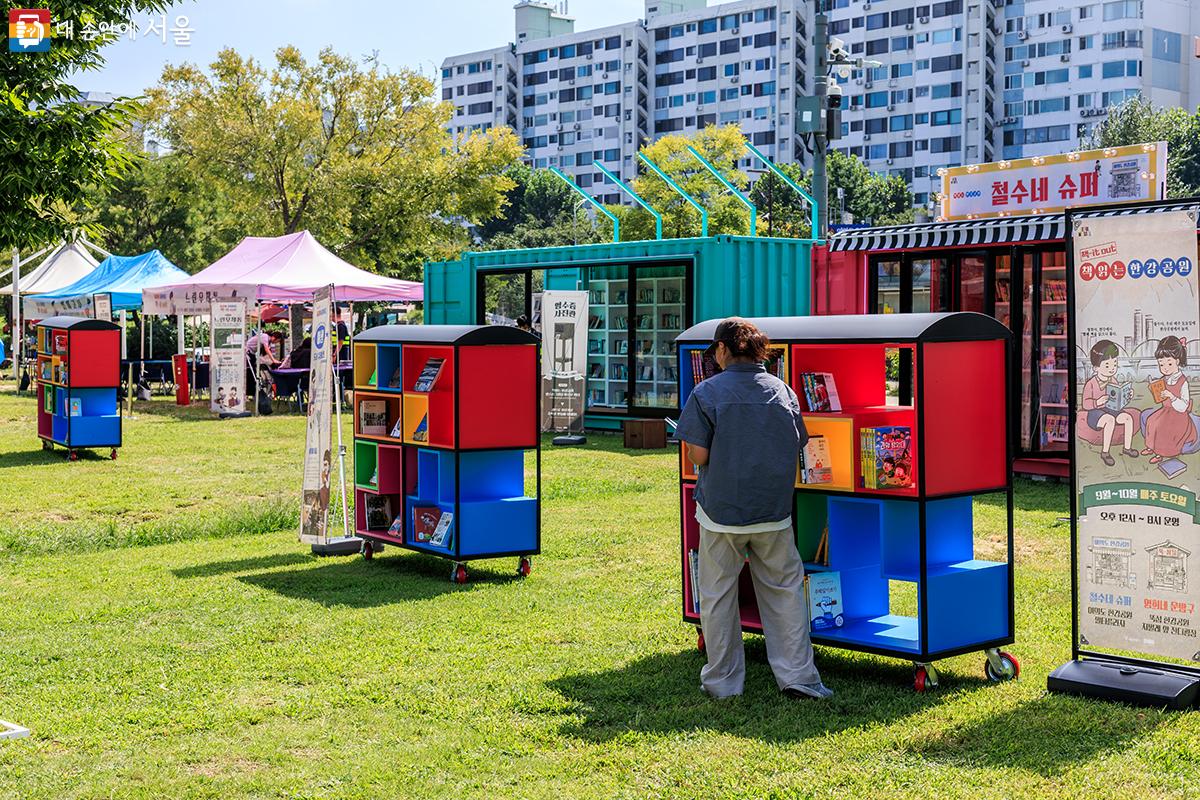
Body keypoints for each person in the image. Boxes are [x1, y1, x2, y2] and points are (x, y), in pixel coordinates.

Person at [676, 317, 832, 700]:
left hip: (721, 512)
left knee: (717, 596)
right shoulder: (784, 391)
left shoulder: (706, 393)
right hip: (773, 510)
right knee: (785, 593)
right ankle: (798, 677)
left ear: (724, 350)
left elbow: (700, 454)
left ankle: (724, 682)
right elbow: (799, 441)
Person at [1081, 339, 1138, 466]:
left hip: (1112, 409)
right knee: (1109, 420)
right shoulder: (1091, 383)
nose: (1112, 369)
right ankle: (1105, 452)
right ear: (1096, 368)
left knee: (1128, 418)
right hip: (1095, 413)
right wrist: (1097, 402)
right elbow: (1085, 404)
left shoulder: (1113, 379)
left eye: (1115, 364)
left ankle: (1127, 448)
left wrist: (1126, 396)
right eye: (1107, 365)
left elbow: (1118, 398)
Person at [1143, 335, 1195, 465]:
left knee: (1164, 427)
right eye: (1161, 364)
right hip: (1166, 411)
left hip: (1179, 415)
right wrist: (1155, 389)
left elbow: (1184, 406)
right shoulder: (1165, 378)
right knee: (1151, 420)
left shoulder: (1182, 381)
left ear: (1177, 361)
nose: (1165, 368)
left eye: (1169, 363)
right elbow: (1161, 400)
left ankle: (1160, 454)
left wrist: (1171, 396)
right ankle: (1151, 447)